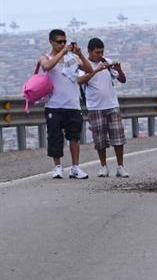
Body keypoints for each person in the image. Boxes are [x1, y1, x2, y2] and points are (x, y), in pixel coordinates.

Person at [39, 29, 94, 179]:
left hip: (72, 104)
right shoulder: (46, 57)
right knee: (55, 137)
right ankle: (57, 167)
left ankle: (75, 167)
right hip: (53, 105)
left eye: (64, 42)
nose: (62, 44)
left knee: (74, 137)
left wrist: (80, 54)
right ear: (51, 42)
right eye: (59, 42)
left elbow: (89, 70)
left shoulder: (72, 59)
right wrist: (62, 53)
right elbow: (46, 66)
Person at [78, 38, 129, 178]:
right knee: (100, 139)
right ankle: (103, 166)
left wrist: (118, 70)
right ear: (89, 52)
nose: (100, 55)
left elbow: (122, 80)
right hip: (95, 106)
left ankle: (120, 166)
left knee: (118, 137)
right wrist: (96, 70)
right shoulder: (84, 65)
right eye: (97, 52)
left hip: (112, 104)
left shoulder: (107, 61)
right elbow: (80, 81)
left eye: (101, 52)